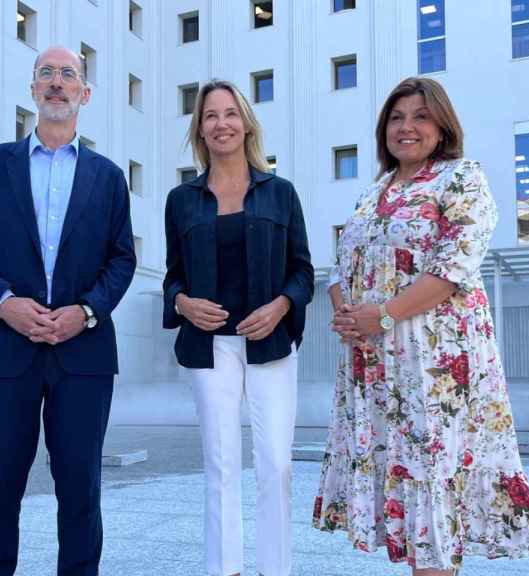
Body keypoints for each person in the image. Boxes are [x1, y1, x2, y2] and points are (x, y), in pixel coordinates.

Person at [313, 77, 529, 575]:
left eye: (419, 116)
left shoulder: (461, 179)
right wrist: (349, 315)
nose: (407, 127)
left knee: (434, 483)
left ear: (442, 126)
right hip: (377, 364)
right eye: (396, 118)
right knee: (404, 483)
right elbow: (341, 268)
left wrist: (383, 314)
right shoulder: (373, 192)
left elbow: (452, 267)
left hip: (436, 368)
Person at [0, 45, 136, 576]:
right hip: (2, 351)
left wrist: (88, 311)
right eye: (47, 74)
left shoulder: (107, 177)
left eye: (68, 75)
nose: (57, 82)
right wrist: (4, 304)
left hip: (84, 357)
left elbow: (122, 260)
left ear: (85, 93)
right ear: (32, 88)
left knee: (81, 494)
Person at [162, 79, 314, 576]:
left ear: (246, 123)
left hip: (269, 343)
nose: (221, 123)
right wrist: (182, 303)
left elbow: (303, 271)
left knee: (276, 464)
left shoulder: (281, 193)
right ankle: (224, 570)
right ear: (200, 130)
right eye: (211, 116)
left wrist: (279, 306)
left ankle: (276, 570)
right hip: (210, 349)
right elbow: (172, 278)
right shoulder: (181, 200)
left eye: (230, 113)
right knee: (221, 466)